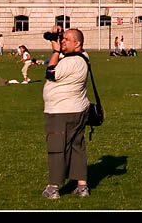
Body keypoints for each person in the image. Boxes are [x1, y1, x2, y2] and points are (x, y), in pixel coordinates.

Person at [42, 26, 91, 199]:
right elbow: (57, 57)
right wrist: (57, 38)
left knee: (57, 148)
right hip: (78, 109)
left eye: (66, 40)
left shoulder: (71, 62)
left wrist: (55, 52)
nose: (62, 42)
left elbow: (50, 72)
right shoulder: (82, 57)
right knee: (77, 147)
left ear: (77, 44)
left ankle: (54, 187)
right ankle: (82, 186)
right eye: (62, 39)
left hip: (61, 111)